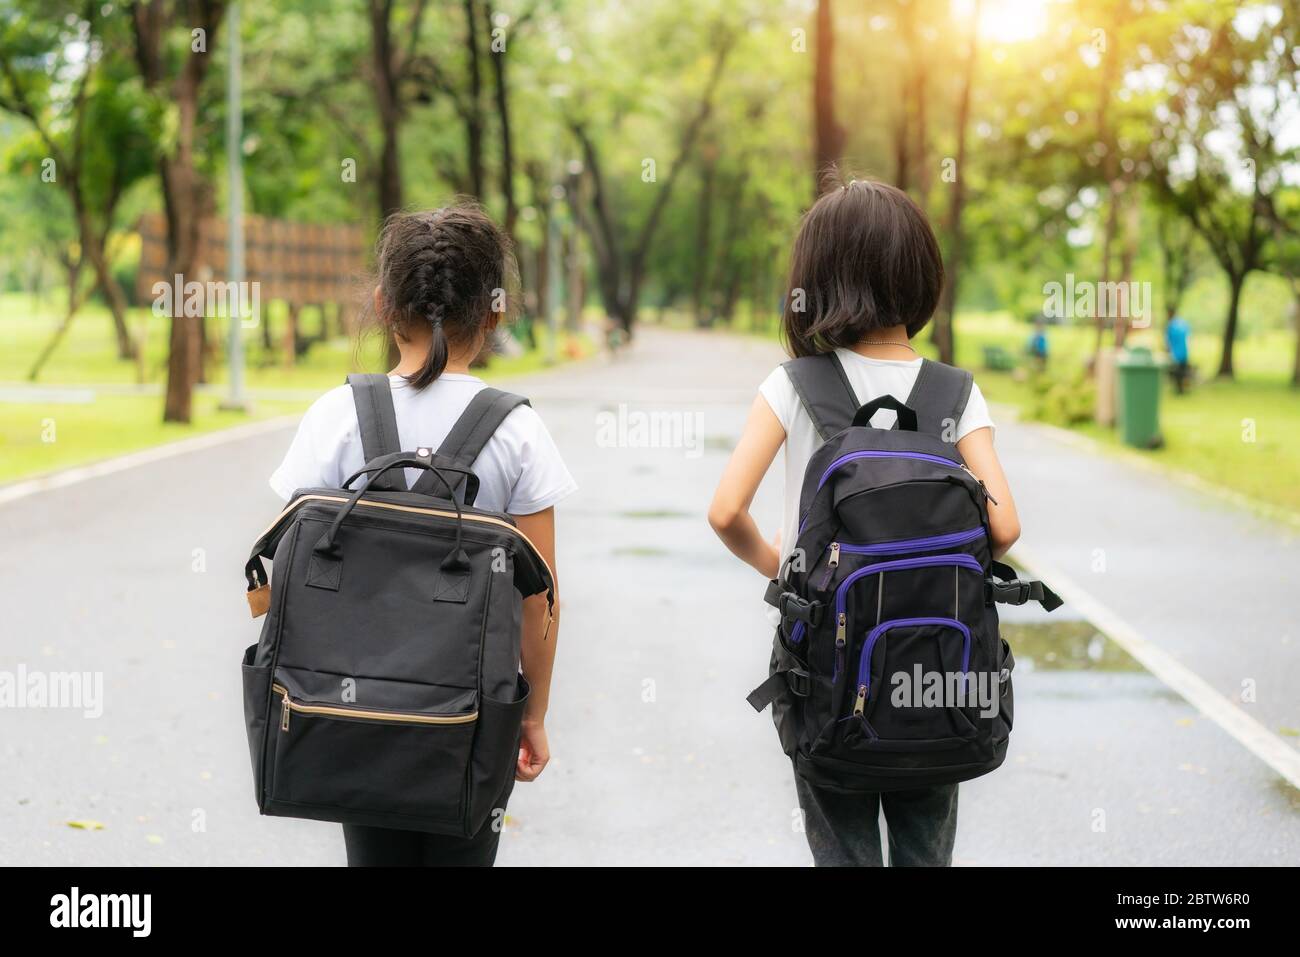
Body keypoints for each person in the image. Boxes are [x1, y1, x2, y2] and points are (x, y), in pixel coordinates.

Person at [707, 177, 1022, 867]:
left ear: (817, 280)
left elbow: (726, 510)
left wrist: (781, 566)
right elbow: (1004, 531)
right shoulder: (955, 393)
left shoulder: (793, 385)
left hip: (827, 677)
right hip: (940, 677)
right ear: (919, 275)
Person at [268, 203, 577, 866]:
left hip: (353, 718)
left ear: (383, 304)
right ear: (495, 313)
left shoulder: (337, 415)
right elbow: (541, 601)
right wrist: (532, 715)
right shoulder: (517, 431)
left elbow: (279, 581)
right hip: (470, 718)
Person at [1165, 312, 1191, 394]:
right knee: (1182, 372)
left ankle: (1178, 389)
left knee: (1177, 372)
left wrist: (1168, 350)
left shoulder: (1171, 326)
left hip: (1175, 353)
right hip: (1184, 352)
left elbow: (1168, 340)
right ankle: (1181, 389)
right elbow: (1188, 338)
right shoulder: (1184, 325)